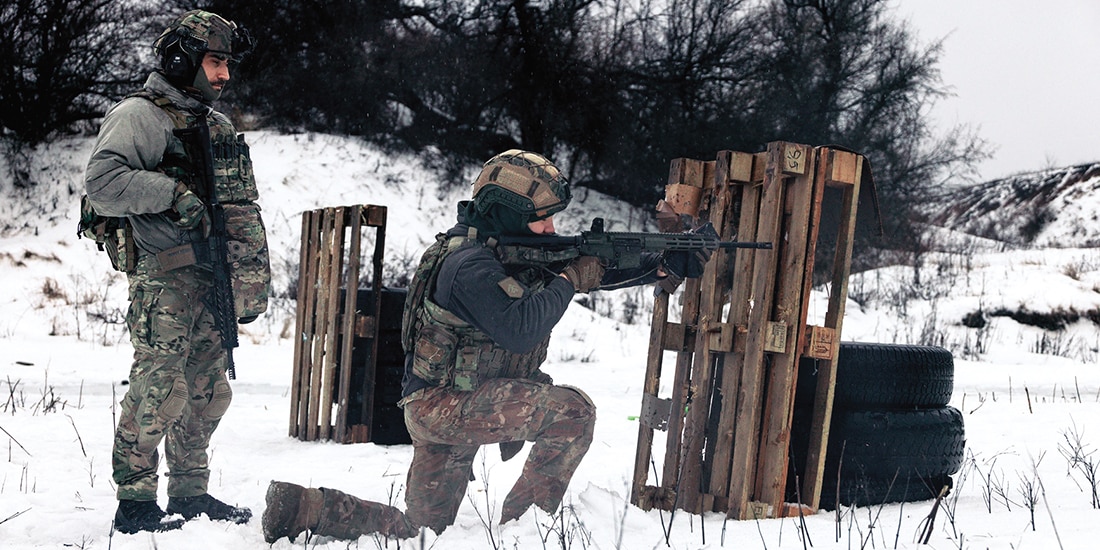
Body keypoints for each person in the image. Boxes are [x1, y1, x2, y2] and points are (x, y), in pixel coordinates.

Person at [262, 150, 711, 542]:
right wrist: (571, 280)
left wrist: (661, 263)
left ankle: (306, 509)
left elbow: (590, 269)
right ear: (507, 212)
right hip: (444, 405)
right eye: (541, 218)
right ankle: (525, 532)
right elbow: (520, 328)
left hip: (448, 403)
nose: (551, 227)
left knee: (423, 531)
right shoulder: (467, 264)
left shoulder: (504, 248)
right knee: (573, 414)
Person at [84, 10, 269, 534]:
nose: (224, 75)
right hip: (165, 279)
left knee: (208, 390)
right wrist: (170, 193)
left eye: (227, 64)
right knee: (159, 388)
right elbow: (102, 181)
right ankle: (135, 502)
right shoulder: (141, 115)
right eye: (215, 62)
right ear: (182, 59)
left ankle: (190, 491)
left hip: (213, 280)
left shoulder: (213, 123)